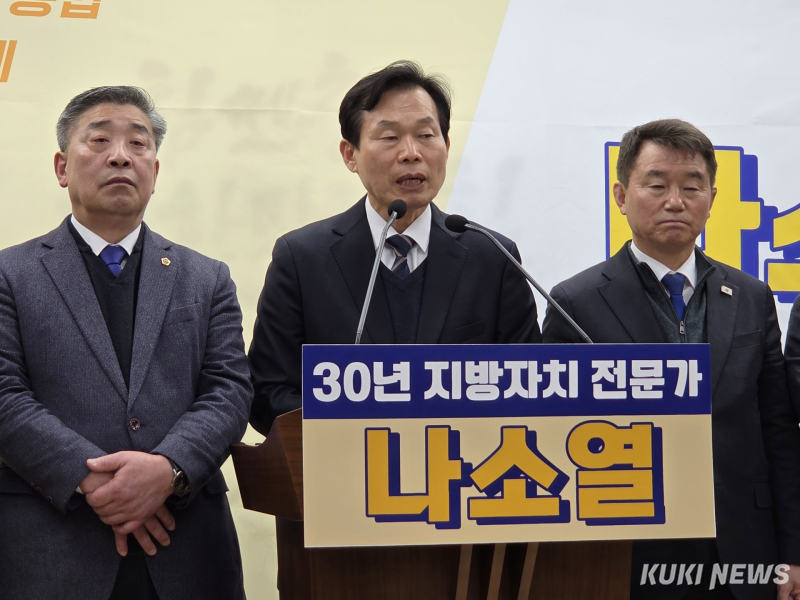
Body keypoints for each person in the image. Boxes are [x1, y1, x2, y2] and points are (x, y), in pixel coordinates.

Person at [247, 60, 540, 597]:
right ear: (350, 154)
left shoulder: (492, 257)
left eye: (426, 135)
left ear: (445, 145)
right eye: (389, 137)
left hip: (465, 526)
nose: (411, 152)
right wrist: (361, 439)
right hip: (339, 528)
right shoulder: (302, 257)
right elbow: (267, 392)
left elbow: (527, 386)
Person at [0, 86, 252, 600]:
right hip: (50, 544)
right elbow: (4, 394)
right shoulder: (10, 274)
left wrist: (167, 469)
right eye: (99, 140)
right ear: (62, 167)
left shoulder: (206, 277)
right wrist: (96, 481)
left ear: (154, 172)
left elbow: (229, 390)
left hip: (187, 545)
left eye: (138, 144)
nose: (120, 156)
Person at [542, 118, 800, 600]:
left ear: (712, 199)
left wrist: (793, 552)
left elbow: (778, 432)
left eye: (692, 187)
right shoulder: (575, 303)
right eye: (656, 185)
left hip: (743, 547)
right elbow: (556, 435)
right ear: (621, 196)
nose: (676, 201)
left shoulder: (751, 296)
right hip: (629, 550)